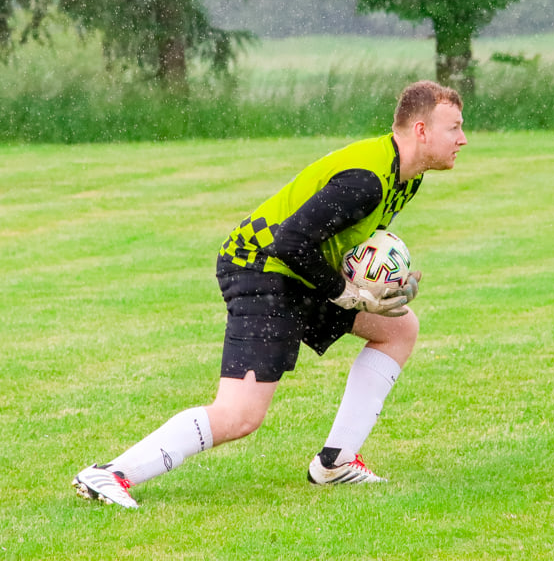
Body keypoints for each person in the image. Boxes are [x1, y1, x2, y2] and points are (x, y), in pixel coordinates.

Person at [72, 80, 467, 508]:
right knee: (240, 414)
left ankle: (334, 462)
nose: (462, 139)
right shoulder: (366, 180)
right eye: (454, 129)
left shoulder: (406, 177)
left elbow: (340, 238)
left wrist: (383, 278)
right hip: (259, 268)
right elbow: (291, 242)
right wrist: (347, 294)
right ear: (422, 130)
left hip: (293, 271)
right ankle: (109, 473)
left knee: (398, 329)